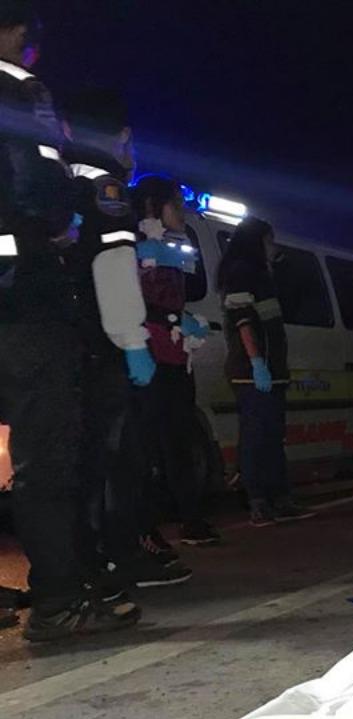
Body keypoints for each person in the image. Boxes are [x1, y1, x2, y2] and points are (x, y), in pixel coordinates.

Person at [0, 4, 139, 640]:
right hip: (25, 299)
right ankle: (59, 598)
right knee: (48, 453)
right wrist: (61, 223)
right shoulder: (18, 89)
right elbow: (37, 186)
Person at [60, 88, 192, 593]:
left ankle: (87, 564)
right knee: (119, 458)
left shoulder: (59, 178)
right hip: (101, 341)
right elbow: (113, 267)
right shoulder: (106, 185)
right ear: (124, 136)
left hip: (67, 337)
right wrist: (133, 341)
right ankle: (117, 559)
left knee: (84, 460)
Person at [132, 175, 220, 546]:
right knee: (147, 445)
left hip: (175, 357)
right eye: (176, 206)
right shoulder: (134, 246)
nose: (182, 214)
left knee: (180, 440)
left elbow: (172, 298)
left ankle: (191, 519)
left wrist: (182, 321)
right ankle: (142, 529)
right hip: (149, 356)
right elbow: (134, 303)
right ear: (153, 206)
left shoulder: (173, 246)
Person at [218, 216, 315, 526]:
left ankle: (280, 498)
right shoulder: (241, 273)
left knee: (273, 437)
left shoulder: (263, 276)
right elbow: (243, 321)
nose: (273, 247)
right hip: (251, 371)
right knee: (256, 437)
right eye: (269, 241)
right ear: (256, 242)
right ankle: (258, 500)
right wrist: (257, 362)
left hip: (272, 369)